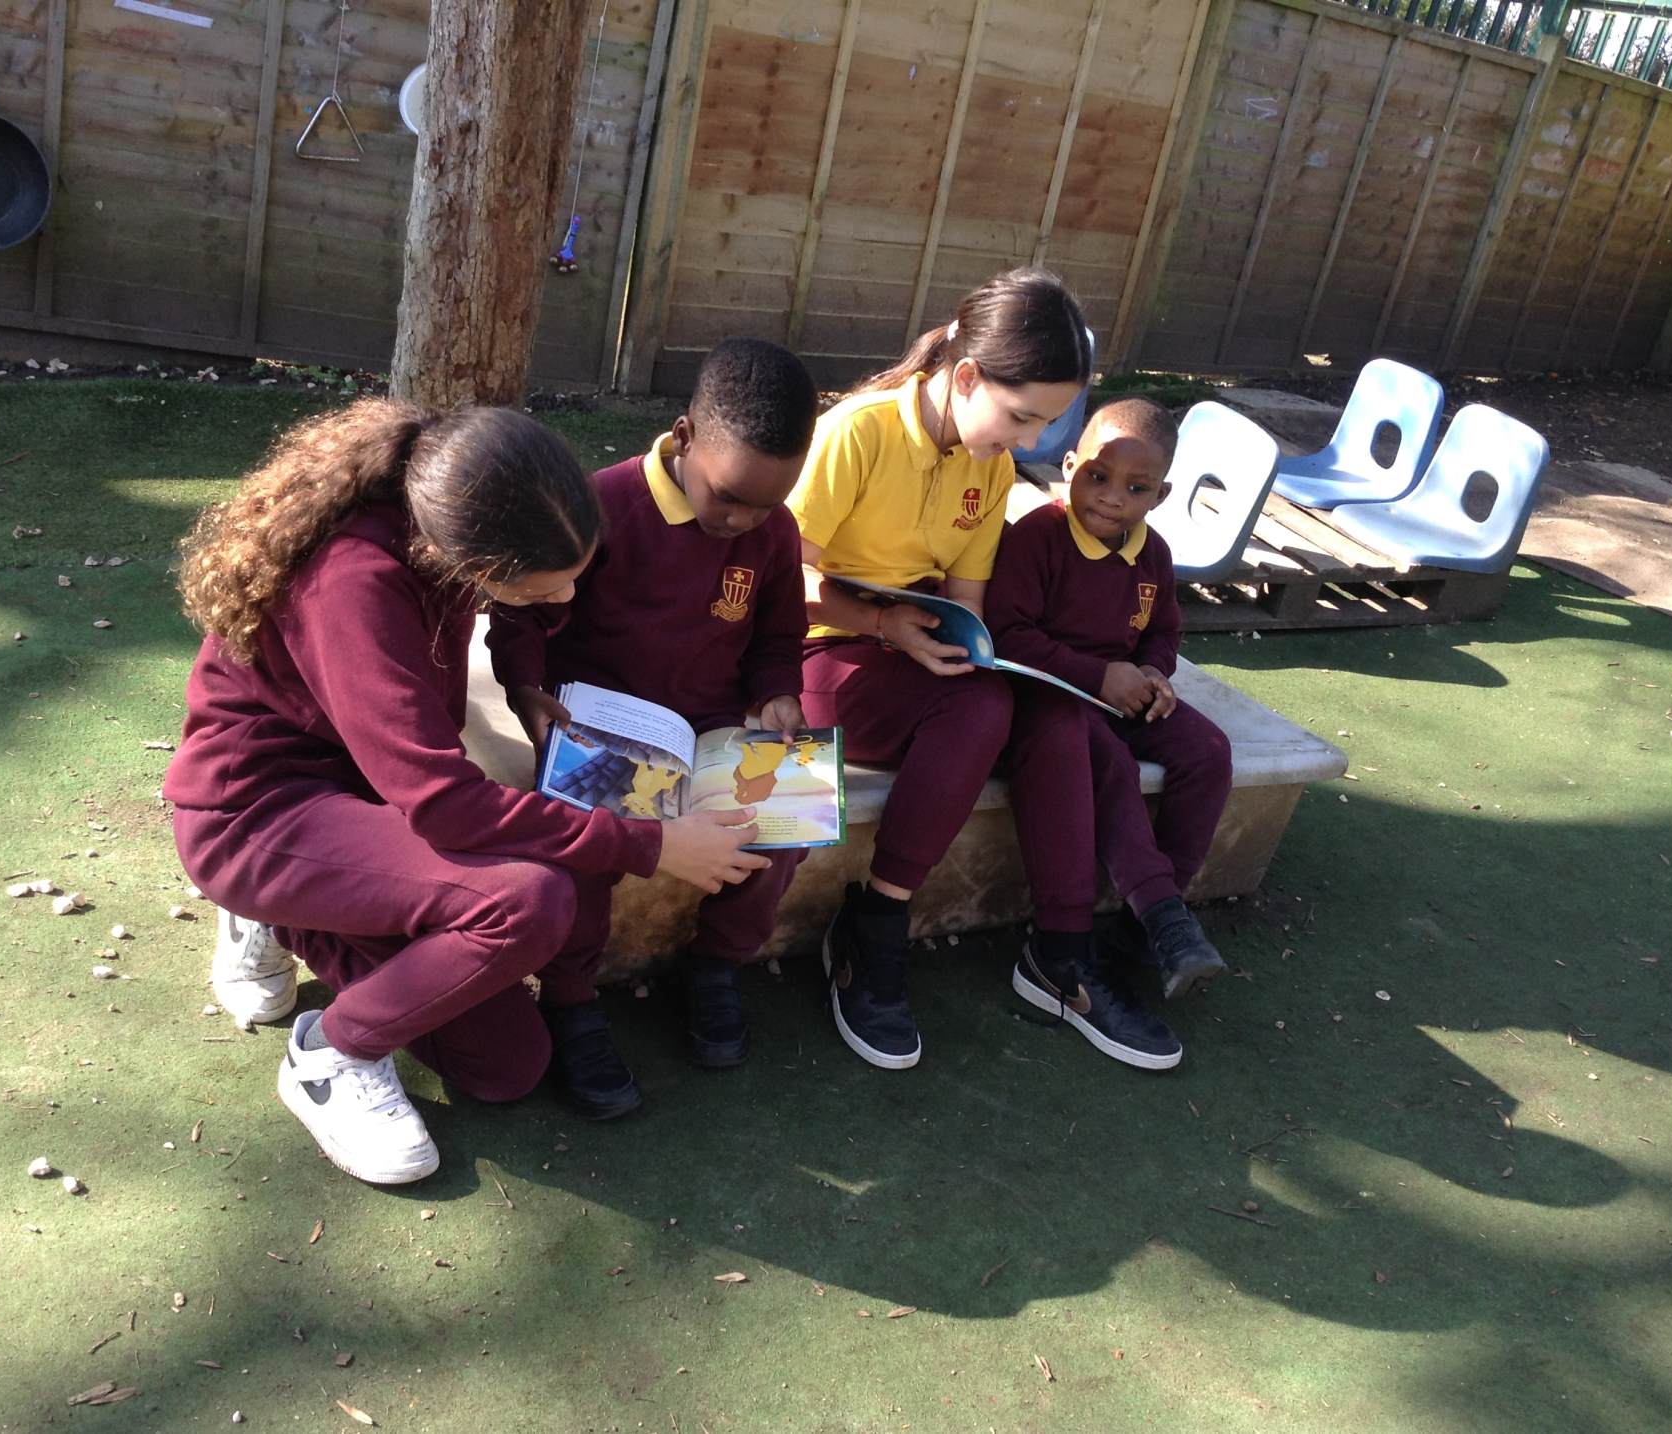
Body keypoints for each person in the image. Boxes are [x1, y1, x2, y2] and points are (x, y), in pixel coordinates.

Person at [169, 400, 767, 1184]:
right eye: (545, 590)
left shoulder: (442, 536)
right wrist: (652, 844)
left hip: (366, 801)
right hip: (257, 816)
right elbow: (445, 804)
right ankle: (330, 1055)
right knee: (530, 901)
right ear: (474, 562)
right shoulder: (354, 581)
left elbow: (427, 766)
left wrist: (526, 688)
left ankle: (293, 913)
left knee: (505, 1066)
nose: (564, 603)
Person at [788, 268, 1093, 1069]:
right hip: (823, 647)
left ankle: (1065, 948)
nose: (1029, 443)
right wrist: (879, 623)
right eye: (1021, 417)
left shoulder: (990, 466)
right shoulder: (859, 433)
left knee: (1045, 714)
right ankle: (877, 920)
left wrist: (978, 651)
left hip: (910, 644)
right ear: (965, 377)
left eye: (1047, 424)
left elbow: (968, 602)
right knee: (978, 711)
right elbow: (782, 579)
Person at [488, 337, 818, 1070]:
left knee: (789, 817)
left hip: (712, 727)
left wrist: (778, 695)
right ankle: (571, 996)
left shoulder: (773, 532)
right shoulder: (601, 505)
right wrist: (524, 689)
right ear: (684, 435)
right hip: (599, 725)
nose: (743, 521)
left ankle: (716, 965)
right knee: (588, 837)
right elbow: (521, 615)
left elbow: (779, 636)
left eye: (767, 504)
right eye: (728, 496)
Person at [985, 397, 1233, 1072]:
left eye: (1136, 488)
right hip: (1049, 700)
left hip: (1122, 697)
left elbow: (1163, 633)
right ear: (1069, 466)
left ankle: (1138, 930)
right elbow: (1008, 634)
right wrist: (1097, 676)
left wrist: (1153, 674)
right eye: (1097, 476)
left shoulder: (1153, 553)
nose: (1112, 497)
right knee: (1109, 765)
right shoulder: (1038, 537)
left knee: (1208, 752)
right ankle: (1161, 918)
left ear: (1162, 495)